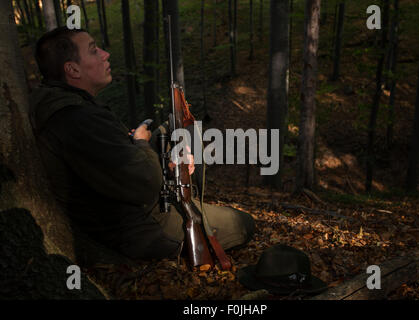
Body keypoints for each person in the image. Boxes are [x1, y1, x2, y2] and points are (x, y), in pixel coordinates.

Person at [29, 27, 254, 260]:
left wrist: (159, 150)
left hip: (126, 215)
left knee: (177, 128)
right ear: (72, 69)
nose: (105, 54)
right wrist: (141, 143)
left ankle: (189, 199)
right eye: (94, 50)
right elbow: (145, 183)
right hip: (139, 227)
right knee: (243, 224)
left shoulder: (66, 107)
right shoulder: (77, 118)